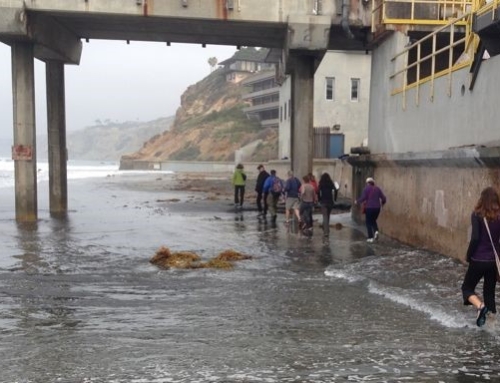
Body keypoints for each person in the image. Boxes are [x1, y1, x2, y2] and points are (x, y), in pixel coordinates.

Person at [461, 186, 500, 327]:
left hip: (478, 259)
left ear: (482, 199)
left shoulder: (477, 214)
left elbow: (475, 238)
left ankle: (480, 306)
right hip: (492, 261)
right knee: (489, 292)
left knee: (467, 288)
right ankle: (492, 324)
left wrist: (468, 255)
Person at [355, 177, 387, 242]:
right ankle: (376, 231)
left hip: (369, 208)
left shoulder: (366, 189)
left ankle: (370, 237)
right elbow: (383, 198)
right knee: (373, 220)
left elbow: (363, 198)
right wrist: (382, 204)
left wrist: (357, 201)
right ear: (373, 183)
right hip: (377, 209)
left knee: (368, 222)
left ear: (367, 183)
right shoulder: (377, 189)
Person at [318, 172, 335, 237]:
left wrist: (319, 199)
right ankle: (325, 226)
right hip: (330, 201)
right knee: (328, 215)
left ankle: (326, 231)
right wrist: (334, 199)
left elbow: (318, 192)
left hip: (323, 201)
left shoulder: (321, 184)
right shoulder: (331, 183)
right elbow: (335, 190)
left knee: (325, 216)